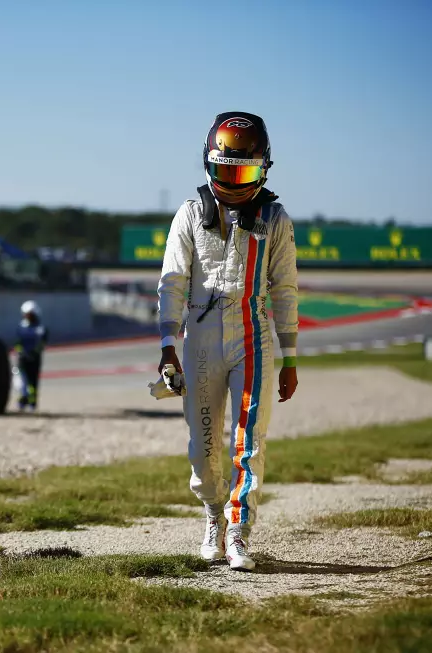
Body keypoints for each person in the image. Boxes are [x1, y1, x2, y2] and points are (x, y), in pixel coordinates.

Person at [157, 111, 299, 571]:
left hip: (253, 337)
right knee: (203, 446)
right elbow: (172, 281)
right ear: (209, 164)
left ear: (264, 168)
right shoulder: (189, 214)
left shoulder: (276, 219)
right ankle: (213, 516)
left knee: (249, 440)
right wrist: (166, 345)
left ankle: (239, 531)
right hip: (199, 337)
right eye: (227, 171)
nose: (236, 183)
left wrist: (290, 355)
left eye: (246, 173)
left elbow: (286, 287)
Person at [13, 300, 48, 410]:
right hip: (22, 358)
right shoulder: (21, 327)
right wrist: (19, 352)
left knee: (33, 381)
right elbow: (17, 342)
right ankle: (23, 399)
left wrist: (34, 352)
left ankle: (32, 402)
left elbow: (42, 343)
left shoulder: (40, 328)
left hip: (34, 358)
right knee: (22, 380)